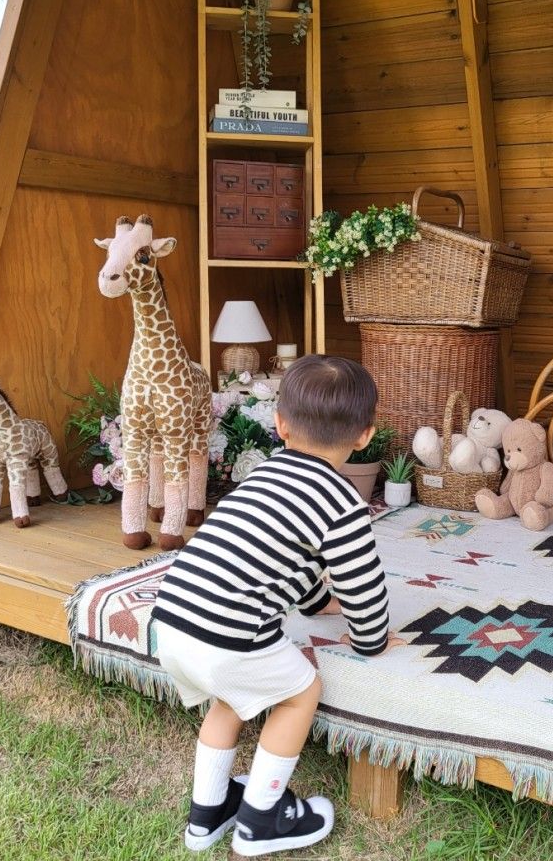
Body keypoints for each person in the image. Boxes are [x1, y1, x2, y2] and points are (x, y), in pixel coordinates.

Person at [151, 355, 405, 856]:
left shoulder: (262, 478)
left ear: (280, 424)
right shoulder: (343, 503)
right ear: (364, 436)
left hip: (173, 620)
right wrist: (371, 641)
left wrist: (318, 604)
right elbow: (363, 586)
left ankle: (207, 816)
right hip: (228, 637)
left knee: (230, 697)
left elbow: (285, 560)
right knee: (300, 693)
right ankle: (261, 822)